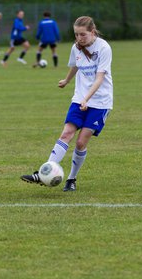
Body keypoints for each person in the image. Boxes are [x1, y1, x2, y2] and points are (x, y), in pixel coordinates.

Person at [21, 16, 113, 191]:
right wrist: (67, 80)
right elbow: (75, 65)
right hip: (79, 99)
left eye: (83, 35)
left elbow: (100, 78)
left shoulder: (104, 48)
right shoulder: (76, 47)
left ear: (93, 33)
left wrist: (87, 98)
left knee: (80, 143)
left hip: (100, 102)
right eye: (76, 35)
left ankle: (71, 179)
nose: (79, 38)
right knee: (66, 134)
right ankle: (43, 173)